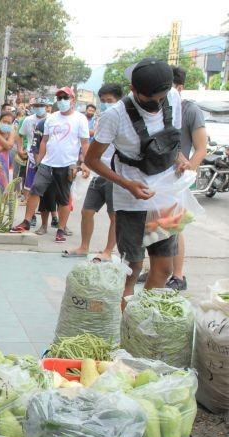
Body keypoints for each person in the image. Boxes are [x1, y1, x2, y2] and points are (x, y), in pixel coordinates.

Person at [84, 58, 186, 300]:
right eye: (151, 100)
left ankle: (143, 322)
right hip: (131, 203)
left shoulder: (172, 98)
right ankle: (127, 329)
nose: (158, 104)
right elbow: (92, 160)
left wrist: (180, 158)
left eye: (162, 98)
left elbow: (172, 141)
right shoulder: (115, 116)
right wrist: (127, 184)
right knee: (132, 270)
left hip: (166, 199)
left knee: (164, 268)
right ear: (133, 90)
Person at [10, 87, 90, 243]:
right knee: (35, 190)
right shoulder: (51, 118)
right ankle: (26, 222)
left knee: (64, 198)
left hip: (67, 164)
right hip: (47, 163)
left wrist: (85, 163)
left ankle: (60, 229)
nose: (61, 101)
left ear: (72, 99)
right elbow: (44, 141)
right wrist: (39, 160)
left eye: (65, 97)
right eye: (59, 98)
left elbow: (85, 143)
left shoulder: (80, 119)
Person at [63, 84, 124, 259]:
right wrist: (87, 164)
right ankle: (84, 247)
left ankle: (107, 251)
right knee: (86, 211)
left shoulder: (122, 120)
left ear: (119, 101)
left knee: (114, 216)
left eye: (109, 101)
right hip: (99, 173)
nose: (105, 104)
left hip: (115, 174)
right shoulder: (102, 119)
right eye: (103, 101)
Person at [164, 66, 207, 290]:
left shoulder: (190, 111)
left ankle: (178, 276)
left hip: (177, 178)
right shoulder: (158, 109)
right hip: (156, 178)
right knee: (154, 226)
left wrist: (189, 167)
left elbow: (201, 148)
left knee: (174, 227)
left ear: (179, 88)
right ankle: (153, 269)